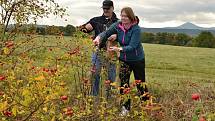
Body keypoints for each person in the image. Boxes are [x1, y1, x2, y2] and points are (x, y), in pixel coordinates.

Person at [93, 7, 150, 116]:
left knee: (140, 84)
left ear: (130, 17)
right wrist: (98, 38)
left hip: (137, 60)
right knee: (124, 84)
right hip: (124, 60)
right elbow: (106, 33)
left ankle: (146, 106)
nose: (123, 18)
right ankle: (126, 108)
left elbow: (132, 46)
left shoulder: (136, 29)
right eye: (122, 15)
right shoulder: (118, 25)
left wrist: (119, 49)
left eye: (126, 16)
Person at [79, 0, 118, 98]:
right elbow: (83, 29)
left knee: (111, 77)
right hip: (97, 52)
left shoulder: (118, 22)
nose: (105, 10)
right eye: (104, 8)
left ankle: (110, 99)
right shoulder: (96, 20)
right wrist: (84, 29)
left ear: (112, 8)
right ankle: (94, 97)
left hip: (111, 52)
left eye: (107, 8)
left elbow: (126, 35)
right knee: (95, 74)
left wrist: (117, 36)